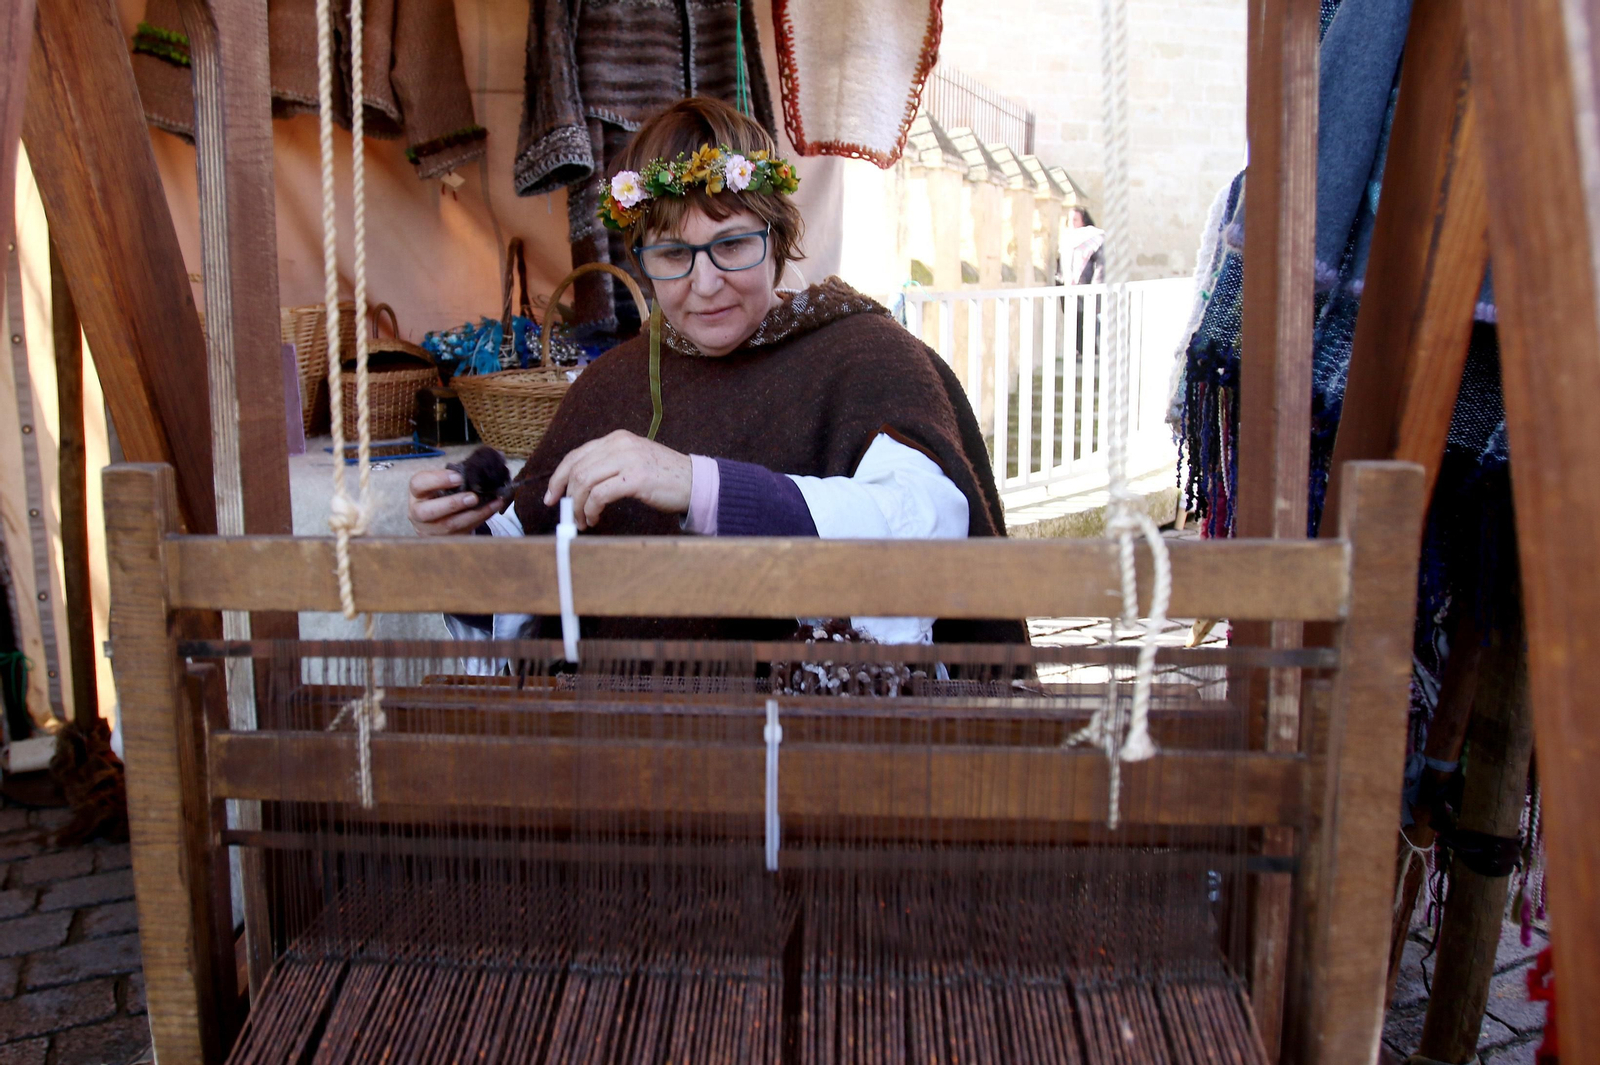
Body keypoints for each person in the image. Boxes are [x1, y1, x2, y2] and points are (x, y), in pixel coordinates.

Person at [408, 96, 1022, 649]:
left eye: (730, 245)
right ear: (643, 262)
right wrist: (462, 544)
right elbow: (529, 597)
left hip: (799, 756)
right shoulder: (613, 384)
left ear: (777, 236)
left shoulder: (868, 359)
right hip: (627, 758)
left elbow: (920, 530)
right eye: (674, 255)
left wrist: (699, 486)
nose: (705, 285)